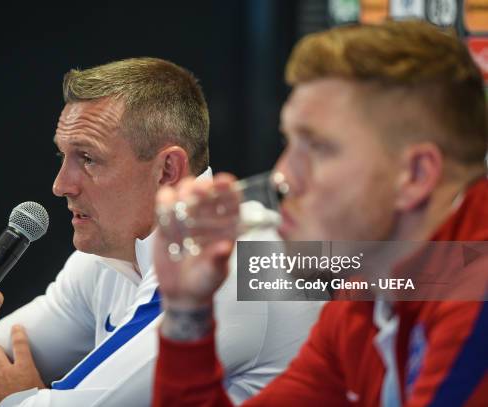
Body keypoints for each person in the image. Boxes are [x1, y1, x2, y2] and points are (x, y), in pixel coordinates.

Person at [0, 57, 321, 406]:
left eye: (87, 158)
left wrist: (17, 397)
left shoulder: (241, 265)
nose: (61, 185)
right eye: (63, 155)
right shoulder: (103, 259)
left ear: (168, 170)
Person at [152, 21, 488, 406]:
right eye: (289, 141)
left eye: (317, 147)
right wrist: (186, 311)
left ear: (415, 175)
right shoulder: (367, 291)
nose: (281, 177)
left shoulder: (475, 299)